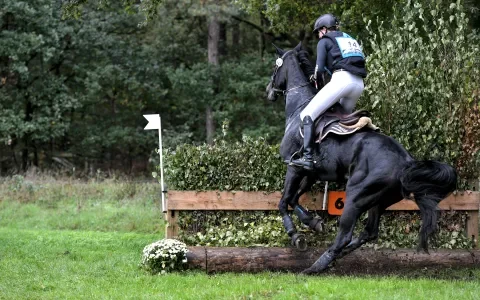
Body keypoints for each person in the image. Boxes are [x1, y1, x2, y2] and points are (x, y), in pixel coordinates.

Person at [290, 13, 367, 170]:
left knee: (307, 114)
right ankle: (341, 155)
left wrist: (314, 80)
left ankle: (308, 158)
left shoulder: (325, 41)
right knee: (341, 120)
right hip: (359, 84)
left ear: (324, 29)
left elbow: (319, 71)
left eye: (319, 32)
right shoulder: (349, 39)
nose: (319, 36)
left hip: (342, 81)